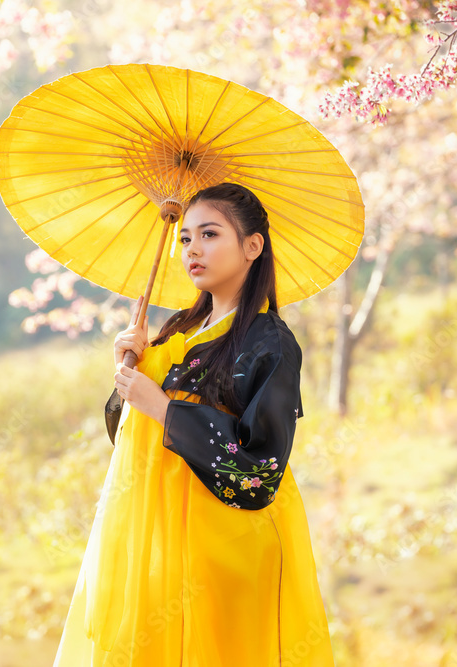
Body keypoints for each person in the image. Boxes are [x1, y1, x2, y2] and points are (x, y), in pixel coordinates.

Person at [51, 182, 335, 666]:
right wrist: (131, 368)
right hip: (159, 541)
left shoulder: (271, 344)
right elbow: (130, 439)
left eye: (209, 234)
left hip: (226, 550)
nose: (192, 250)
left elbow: (259, 470)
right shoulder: (177, 332)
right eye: (184, 239)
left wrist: (163, 407)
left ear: (252, 246)